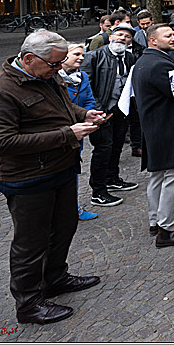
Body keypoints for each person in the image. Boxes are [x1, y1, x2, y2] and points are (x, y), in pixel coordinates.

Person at [0, 30, 106, 324]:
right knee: (30, 243)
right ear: (29, 59)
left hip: (60, 169)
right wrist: (65, 134)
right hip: (28, 179)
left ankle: (55, 278)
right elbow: (0, 144)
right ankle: (29, 303)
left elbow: (61, 106)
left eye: (61, 64)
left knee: (63, 229)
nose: (59, 70)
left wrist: (83, 114)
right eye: (53, 65)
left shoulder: (46, 73)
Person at [131, 23, 174, 248]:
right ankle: (167, 228)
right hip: (168, 129)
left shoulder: (145, 61)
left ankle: (156, 220)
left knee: (158, 176)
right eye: (167, 35)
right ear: (153, 40)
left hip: (155, 128)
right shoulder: (158, 64)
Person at [81, 23, 140, 206]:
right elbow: (87, 85)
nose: (123, 38)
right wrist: (96, 110)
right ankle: (98, 191)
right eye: (120, 35)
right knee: (103, 149)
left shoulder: (130, 58)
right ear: (111, 36)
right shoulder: (94, 56)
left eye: (127, 36)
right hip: (101, 111)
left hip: (121, 111)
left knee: (116, 147)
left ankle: (112, 179)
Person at [59, 43, 98, 221]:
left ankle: (73, 207)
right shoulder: (54, 79)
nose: (81, 58)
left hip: (79, 130)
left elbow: (89, 99)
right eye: (77, 54)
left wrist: (87, 117)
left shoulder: (82, 76)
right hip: (60, 131)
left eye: (83, 55)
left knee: (74, 167)